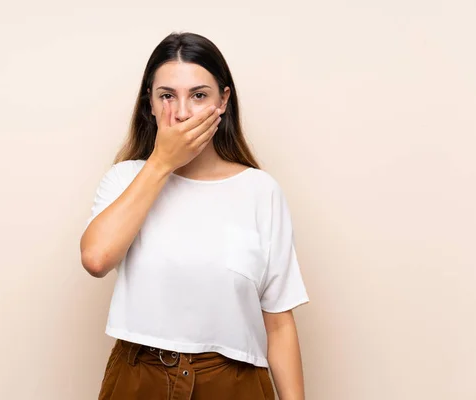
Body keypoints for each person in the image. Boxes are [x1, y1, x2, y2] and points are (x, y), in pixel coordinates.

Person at [80, 31, 310, 400]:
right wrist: (161, 163)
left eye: (199, 95)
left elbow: (279, 322)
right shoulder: (124, 179)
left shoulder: (260, 191)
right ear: (150, 106)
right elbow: (96, 258)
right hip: (139, 379)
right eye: (167, 96)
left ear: (224, 100)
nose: (183, 112)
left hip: (235, 383)